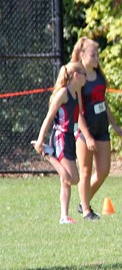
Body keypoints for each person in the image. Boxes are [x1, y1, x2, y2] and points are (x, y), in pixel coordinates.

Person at [71, 37, 122, 220]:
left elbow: (103, 103)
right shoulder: (78, 77)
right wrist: (87, 136)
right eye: (93, 55)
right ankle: (86, 211)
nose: (97, 58)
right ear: (82, 55)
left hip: (102, 129)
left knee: (103, 171)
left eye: (97, 54)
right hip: (85, 131)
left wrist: (115, 125)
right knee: (85, 171)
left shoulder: (99, 76)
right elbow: (77, 110)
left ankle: (83, 202)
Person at [32, 62, 87, 224]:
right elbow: (49, 117)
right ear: (76, 76)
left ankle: (64, 216)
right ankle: (47, 154)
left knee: (65, 181)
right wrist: (41, 140)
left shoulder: (76, 92)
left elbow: (76, 116)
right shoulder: (63, 93)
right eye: (83, 74)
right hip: (60, 137)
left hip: (70, 137)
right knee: (72, 178)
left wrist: (80, 133)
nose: (86, 78)